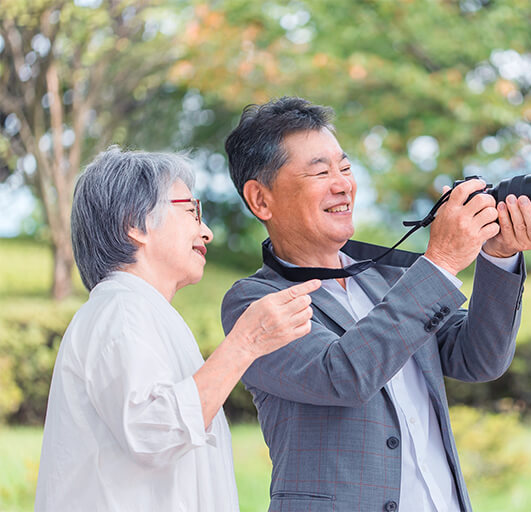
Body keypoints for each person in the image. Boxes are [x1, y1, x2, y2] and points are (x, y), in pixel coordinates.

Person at [221, 97, 531, 512]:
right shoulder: (255, 303)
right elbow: (342, 374)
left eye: (345, 167)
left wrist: (499, 255)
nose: (342, 184)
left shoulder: (389, 278)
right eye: (320, 171)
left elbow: (480, 359)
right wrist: (442, 261)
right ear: (261, 200)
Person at [35, 147, 321, 511]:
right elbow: (153, 431)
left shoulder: (140, 311)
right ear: (134, 224)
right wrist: (246, 342)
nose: (207, 231)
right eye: (192, 210)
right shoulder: (121, 311)